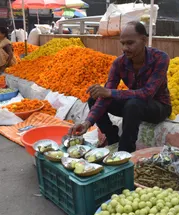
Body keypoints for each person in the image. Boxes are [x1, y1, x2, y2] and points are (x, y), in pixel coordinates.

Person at [69, 21, 172, 153]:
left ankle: (125, 152)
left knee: (133, 104)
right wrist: (87, 123)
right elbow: (106, 94)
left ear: (144, 40)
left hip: (158, 107)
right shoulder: (119, 63)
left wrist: (110, 93)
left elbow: (147, 93)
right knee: (94, 99)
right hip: (134, 105)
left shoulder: (160, 58)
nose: (125, 48)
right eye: (122, 43)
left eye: (130, 43)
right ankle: (112, 138)